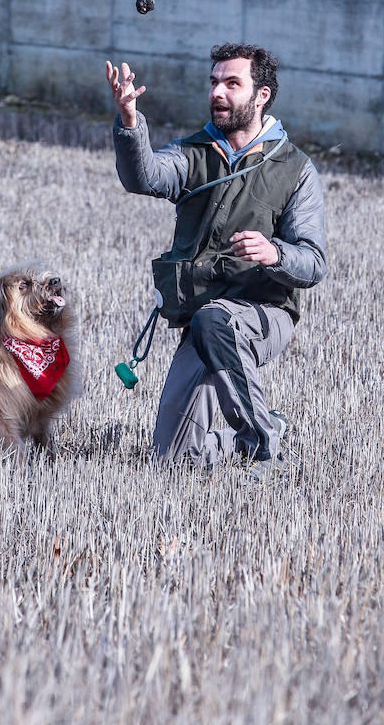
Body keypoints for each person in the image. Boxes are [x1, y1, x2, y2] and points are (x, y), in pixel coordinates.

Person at [105, 42, 327, 477]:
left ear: (261, 96)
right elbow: (143, 176)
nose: (217, 93)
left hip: (264, 314)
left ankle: (262, 444)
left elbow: (314, 262)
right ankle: (268, 423)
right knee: (171, 461)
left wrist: (274, 252)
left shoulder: (295, 169)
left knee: (215, 320)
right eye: (213, 82)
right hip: (202, 321)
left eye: (231, 83)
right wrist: (130, 121)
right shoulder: (193, 153)